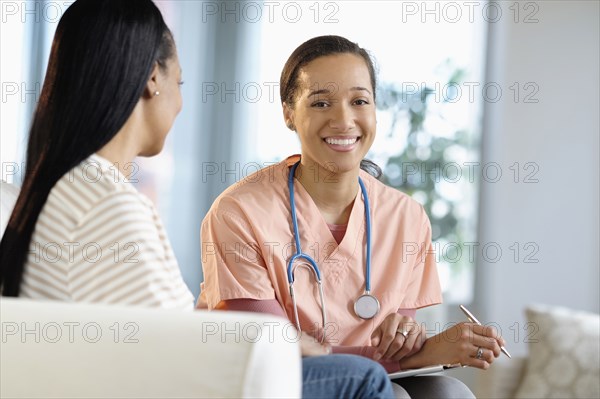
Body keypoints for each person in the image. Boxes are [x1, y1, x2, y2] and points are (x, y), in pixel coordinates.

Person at [0, 4, 393, 398]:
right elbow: (174, 356)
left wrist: (272, 341)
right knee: (363, 379)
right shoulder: (107, 204)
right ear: (154, 78)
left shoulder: (68, 187)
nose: (180, 103)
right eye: (181, 84)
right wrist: (276, 343)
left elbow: (156, 331)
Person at [198, 35, 507, 398]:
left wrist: (409, 341)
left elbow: (397, 345)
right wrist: (418, 356)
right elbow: (270, 352)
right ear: (288, 114)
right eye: (321, 103)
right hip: (267, 384)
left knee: (449, 394)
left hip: (374, 382)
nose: (343, 120)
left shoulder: (405, 218)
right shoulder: (241, 212)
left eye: (359, 100)